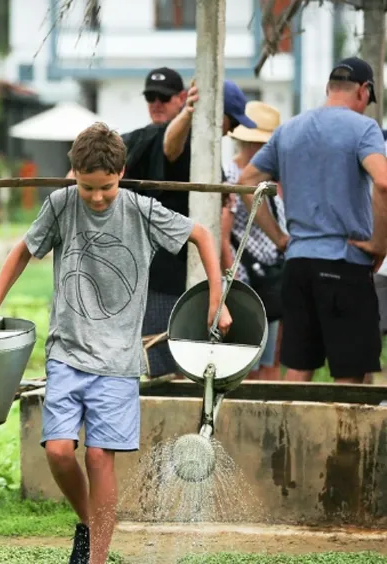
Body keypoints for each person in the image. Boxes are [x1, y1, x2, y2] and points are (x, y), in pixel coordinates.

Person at [0, 123, 231, 564]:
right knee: (58, 452)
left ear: (122, 174)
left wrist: (216, 299)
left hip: (116, 361)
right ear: (72, 173)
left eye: (106, 188)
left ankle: (96, 558)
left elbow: (203, 236)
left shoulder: (140, 209)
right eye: (87, 186)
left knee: (99, 458)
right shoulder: (60, 205)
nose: (96, 197)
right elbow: (22, 250)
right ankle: (92, 525)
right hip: (67, 352)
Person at [238, 57, 387, 384]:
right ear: (364, 91)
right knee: (352, 374)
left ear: (328, 88)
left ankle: (285, 436)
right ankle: (344, 438)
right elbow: (383, 181)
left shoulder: (288, 129)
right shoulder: (364, 128)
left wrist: (279, 237)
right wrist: (379, 243)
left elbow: (246, 181)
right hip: (344, 262)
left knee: (298, 366)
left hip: (298, 264)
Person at [125, 79, 255, 378]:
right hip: (161, 272)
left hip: (189, 270)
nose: (231, 130)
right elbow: (171, 147)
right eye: (230, 121)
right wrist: (189, 113)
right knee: (161, 364)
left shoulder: (206, 153)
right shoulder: (176, 139)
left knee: (187, 357)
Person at [221, 101, 286, 380]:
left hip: (270, 280)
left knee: (269, 362)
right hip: (245, 280)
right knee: (245, 365)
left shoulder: (271, 179)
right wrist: (231, 277)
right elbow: (222, 235)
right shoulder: (232, 178)